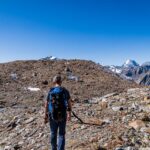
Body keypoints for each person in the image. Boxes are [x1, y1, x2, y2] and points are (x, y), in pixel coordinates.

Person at [44, 75, 72, 150]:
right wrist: (69, 114)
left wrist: (45, 116)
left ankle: (54, 148)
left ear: (54, 81)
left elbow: (46, 104)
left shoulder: (50, 91)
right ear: (61, 82)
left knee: (53, 132)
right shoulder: (65, 91)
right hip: (62, 114)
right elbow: (69, 103)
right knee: (61, 134)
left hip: (52, 114)